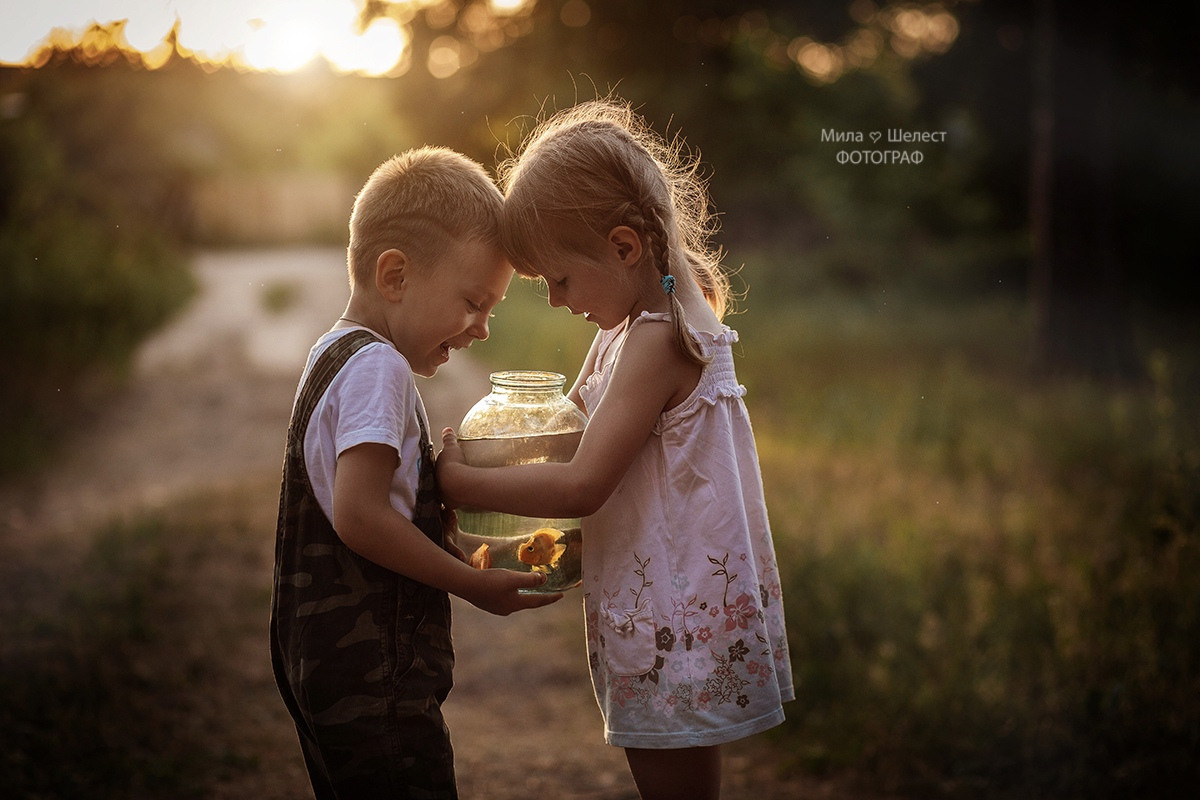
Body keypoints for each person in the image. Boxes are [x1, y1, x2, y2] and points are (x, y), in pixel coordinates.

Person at [436, 101, 794, 800]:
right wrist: (475, 458)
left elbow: (581, 484)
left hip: (673, 619)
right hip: (657, 606)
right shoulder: (631, 325)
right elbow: (567, 432)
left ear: (625, 247)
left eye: (559, 279)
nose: (555, 300)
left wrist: (461, 484)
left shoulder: (658, 338)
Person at [270, 146, 561, 800]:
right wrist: (469, 583)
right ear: (396, 276)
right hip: (372, 668)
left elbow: (369, 501)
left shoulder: (333, 352)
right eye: (473, 302)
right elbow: (360, 515)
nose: (482, 329)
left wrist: (433, 506)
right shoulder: (380, 367)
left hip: (322, 659)